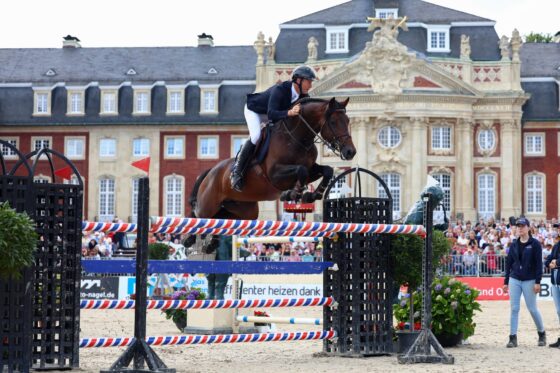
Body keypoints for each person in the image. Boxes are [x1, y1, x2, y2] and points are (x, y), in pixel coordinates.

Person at [229, 65, 317, 192]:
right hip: (255, 111)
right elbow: (271, 114)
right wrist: (289, 113)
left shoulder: (304, 97)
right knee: (256, 136)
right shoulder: (280, 90)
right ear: (298, 80)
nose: (310, 85)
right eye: (309, 81)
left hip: (275, 114)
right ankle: (237, 171)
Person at [503, 217, 546, 348]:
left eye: (522, 226)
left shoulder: (535, 244)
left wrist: (538, 281)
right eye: (518, 226)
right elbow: (509, 263)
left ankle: (541, 333)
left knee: (532, 308)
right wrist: (506, 281)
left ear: (528, 227)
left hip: (530, 279)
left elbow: (539, 264)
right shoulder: (513, 244)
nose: (520, 228)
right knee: (514, 308)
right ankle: (512, 337)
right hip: (514, 279)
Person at [544, 237, 560, 347]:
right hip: (555, 281)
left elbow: (555, 260)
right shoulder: (556, 245)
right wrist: (549, 263)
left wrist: (557, 262)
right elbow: (549, 259)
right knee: (559, 311)